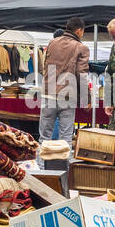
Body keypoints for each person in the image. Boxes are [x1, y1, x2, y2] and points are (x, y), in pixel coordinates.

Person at [39, 15, 89, 143]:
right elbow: (81, 74)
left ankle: (40, 163)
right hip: (67, 96)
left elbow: (45, 67)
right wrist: (85, 99)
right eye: (83, 31)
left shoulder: (52, 43)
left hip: (49, 93)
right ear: (79, 30)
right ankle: (63, 163)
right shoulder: (81, 47)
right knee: (65, 137)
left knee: (44, 136)